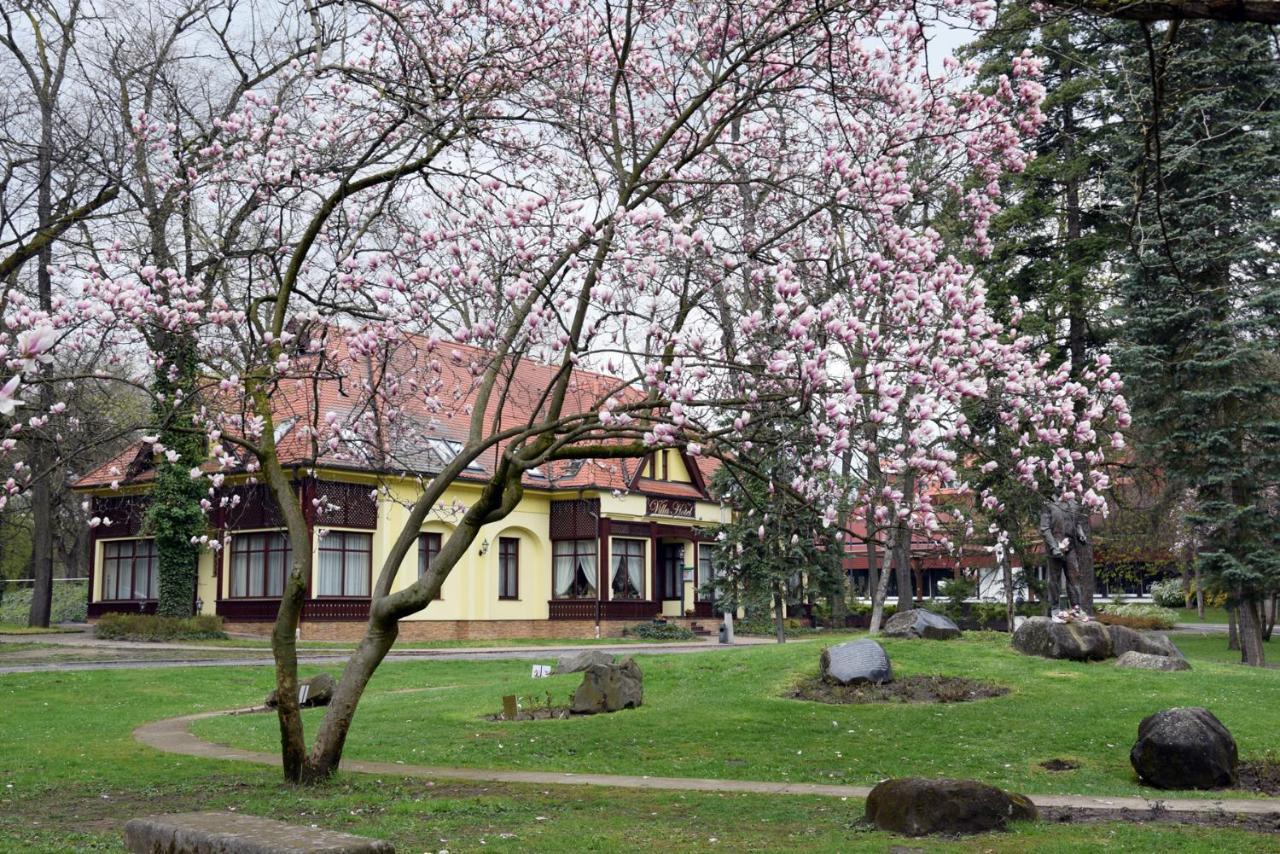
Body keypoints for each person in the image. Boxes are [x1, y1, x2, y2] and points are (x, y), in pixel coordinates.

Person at [1039, 497, 1091, 621]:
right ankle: (1055, 609)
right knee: (1054, 580)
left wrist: (1081, 534)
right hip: (1054, 548)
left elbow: (1076, 523)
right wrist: (1053, 546)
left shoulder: (1073, 504)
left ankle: (1076, 608)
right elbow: (1045, 528)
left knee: (1074, 578)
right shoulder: (1048, 504)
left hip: (1070, 547)